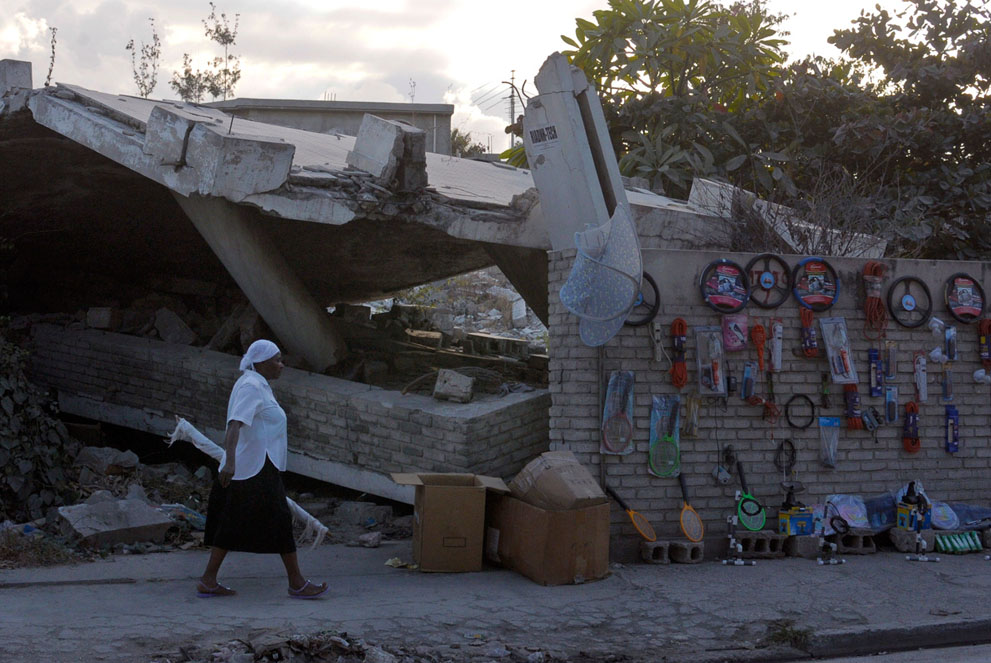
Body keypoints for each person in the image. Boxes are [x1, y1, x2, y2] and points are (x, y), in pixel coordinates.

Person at [196, 339, 328, 599]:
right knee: (279, 519)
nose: (282, 365)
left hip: (257, 465)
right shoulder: (251, 386)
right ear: (261, 363)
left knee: (232, 523)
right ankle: (297, 583)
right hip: (253, 467)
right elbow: (235, 425)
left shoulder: (260, 385)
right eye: (277, 360)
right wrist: (230, 463)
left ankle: (208, 580)